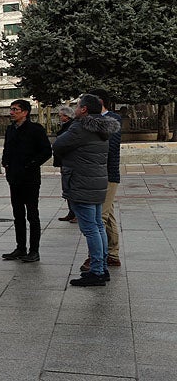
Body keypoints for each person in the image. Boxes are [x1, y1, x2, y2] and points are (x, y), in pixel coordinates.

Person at [53, 94, 121, 286]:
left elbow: (58, 145)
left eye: (77, 106)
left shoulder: (81, 126)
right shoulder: (103, 128)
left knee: (91, 229)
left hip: (81, 183)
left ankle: (97, 271)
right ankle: (102, 268)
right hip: (97, 183)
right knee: (98, 226)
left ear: (84, 109)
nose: (75, 109)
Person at [0, 99, 53, 262]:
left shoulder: (35, 129)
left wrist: (31, 164)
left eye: (15, 109)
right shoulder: (10, 129)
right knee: (18, 215)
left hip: (30, 179)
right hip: (14, 178)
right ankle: (20, 247)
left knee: (32, 214)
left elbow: (46, 152)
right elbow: (7, 149)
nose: (12, 112)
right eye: (11, 109)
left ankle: (34, 250)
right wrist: (6, 163)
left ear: (25, 112)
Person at [88, 88, 123, 268]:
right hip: (97, 175)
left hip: (107, 174)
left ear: (99, 102)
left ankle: (96, 258)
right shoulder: (97, 121)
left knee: (98, 218)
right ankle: (113, 254)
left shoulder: (112, 120)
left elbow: (108, 147)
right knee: (108, 215)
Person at [54, 105, 77, 222]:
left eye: (61, 116)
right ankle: (71, 212)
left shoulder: (71, 127)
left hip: (68, 161)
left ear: (66, 117)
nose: (60, 118)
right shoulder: (67, 126)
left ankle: (75, 213)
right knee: (67, 188)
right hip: (63, 161)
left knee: (70, 187)